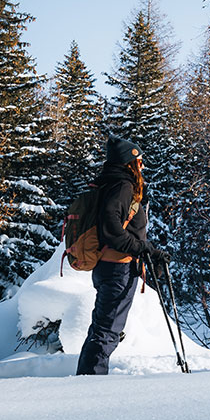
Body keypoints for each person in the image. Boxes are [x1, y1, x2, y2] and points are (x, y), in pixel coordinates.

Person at [76, 135, 169, 375]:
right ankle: (89, 387)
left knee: (103, 331)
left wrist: (148, 250)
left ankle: (86, 382)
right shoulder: (122, 186)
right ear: (130, 162)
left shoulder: (112, 184)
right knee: (105, 334)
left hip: (111, 268)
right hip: (117, 270)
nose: (143, 167)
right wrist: (144, 249)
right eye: (139, 162)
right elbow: (112, 231)